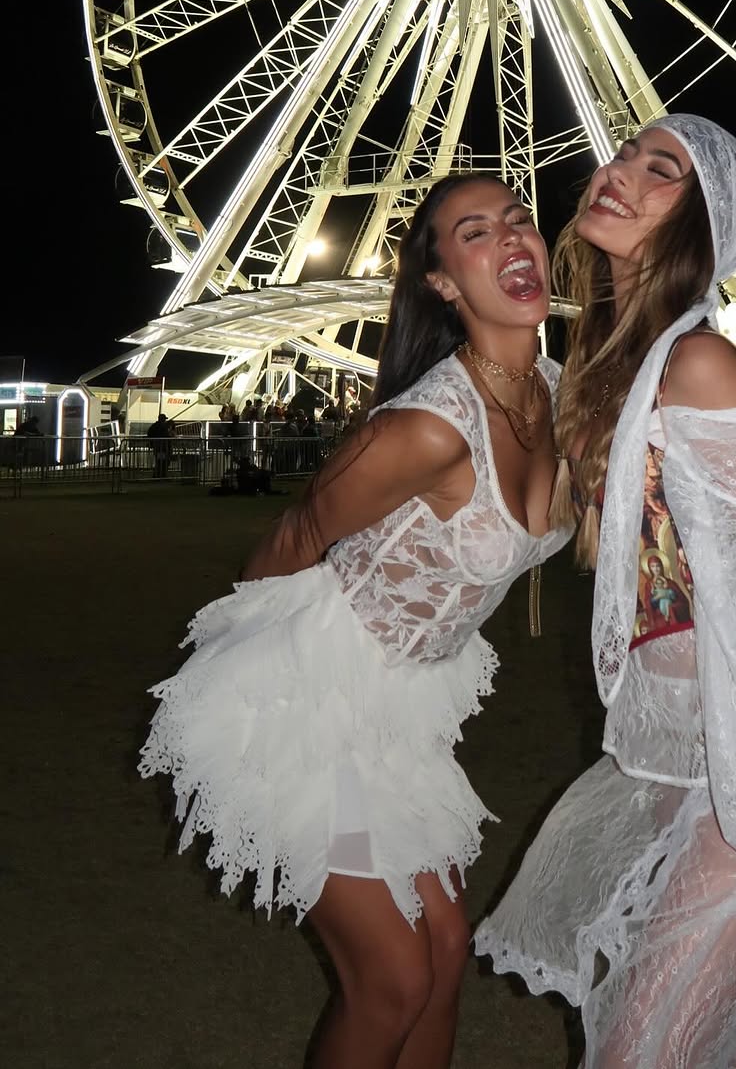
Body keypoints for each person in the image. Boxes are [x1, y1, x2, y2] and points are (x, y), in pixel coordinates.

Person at [138, 173, 569, 1069]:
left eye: (519, 220)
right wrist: (240, 678)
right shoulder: (426, 429)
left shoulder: (563, 399)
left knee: (443, 955)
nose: (511, 239)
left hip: (404, 709)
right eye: (476, 232)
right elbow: (297, 535)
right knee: (393, 978)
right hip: (303, 698)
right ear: (441, 282)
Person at [475, 115, 736, 1067]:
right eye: (623, 155)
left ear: (702, 222)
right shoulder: (609, 368)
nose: (620, 174)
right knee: (733, 1030)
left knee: (644, 1039)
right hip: (663, 744)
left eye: (661, 170)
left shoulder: (698, 363)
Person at [147, 412, 172, 479]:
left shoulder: (154, 426)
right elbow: (166, 436)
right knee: (163, 461)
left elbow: (149, 434)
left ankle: (158, 474)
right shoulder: (163, 427)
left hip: (157, 446)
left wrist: (152, 443)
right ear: (162, 419)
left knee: (159, 461)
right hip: (162, 447)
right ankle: (161, 475)